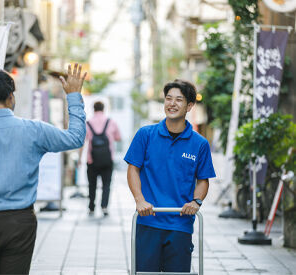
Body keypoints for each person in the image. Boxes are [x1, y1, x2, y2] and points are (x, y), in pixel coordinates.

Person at [0, 64, 87, 274]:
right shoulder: (34, 130)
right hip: (21, 222)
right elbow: (76, 138)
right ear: (11, 96)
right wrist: (74, 96)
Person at [124, 79, 216, 273]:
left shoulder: (199, 144)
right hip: (148, 220)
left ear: (189, 106)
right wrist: (139, 200)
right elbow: (133, 169)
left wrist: (196, 202)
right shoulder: (146, 135)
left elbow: (203, 180)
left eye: (179, 100)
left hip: (180, 224)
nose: (172, 104)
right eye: (168, 98)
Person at [79, 101, 121, 216]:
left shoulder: (88, 124)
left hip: (91, 160)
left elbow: (83, 142)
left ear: (93, 109)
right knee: (106, 184)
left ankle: (91, 207)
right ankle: (104, 206)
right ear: (103, 109)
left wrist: (79, 159)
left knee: (91, 184)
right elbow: (118, 137)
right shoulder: (111, 122)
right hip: (107, 159)